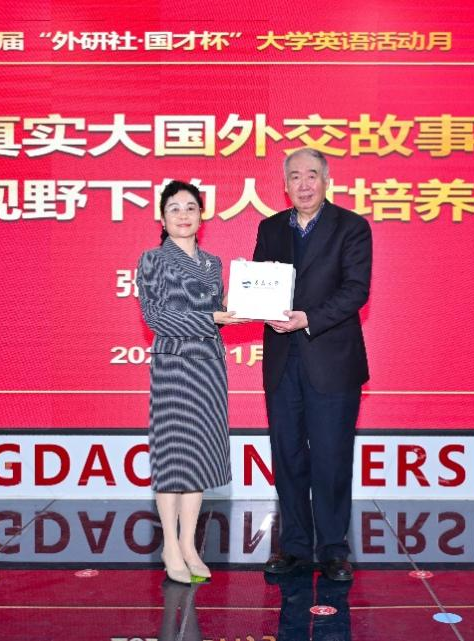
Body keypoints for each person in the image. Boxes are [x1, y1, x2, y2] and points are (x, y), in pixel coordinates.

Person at [253, 148, 372, 582]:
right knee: (287, 456)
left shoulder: (352, 227)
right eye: (295, 177)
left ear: (326, 180)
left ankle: (334, 549)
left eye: (311, 175)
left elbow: (356, 290)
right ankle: (295, 547)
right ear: (285, 184)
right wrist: (254, 305)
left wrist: (309, 318)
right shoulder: (270, 228)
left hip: (331, 361)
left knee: (331, 457)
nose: (303, 184)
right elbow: (259, 283)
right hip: (282, 362)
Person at [136, 180, 246, 584]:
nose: (183, 215)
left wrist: (238, 309)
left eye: (190, 207)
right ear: (162, 218)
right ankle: (169, 544)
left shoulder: (213, 263)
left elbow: (218, 314)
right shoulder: (152, 259)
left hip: (209, 368)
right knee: (173, 456)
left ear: (202, 216)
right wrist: (211, 318)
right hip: (173, 367)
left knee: (198, 454)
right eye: (174, 208)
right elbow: (155, 317)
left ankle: (189, 544)